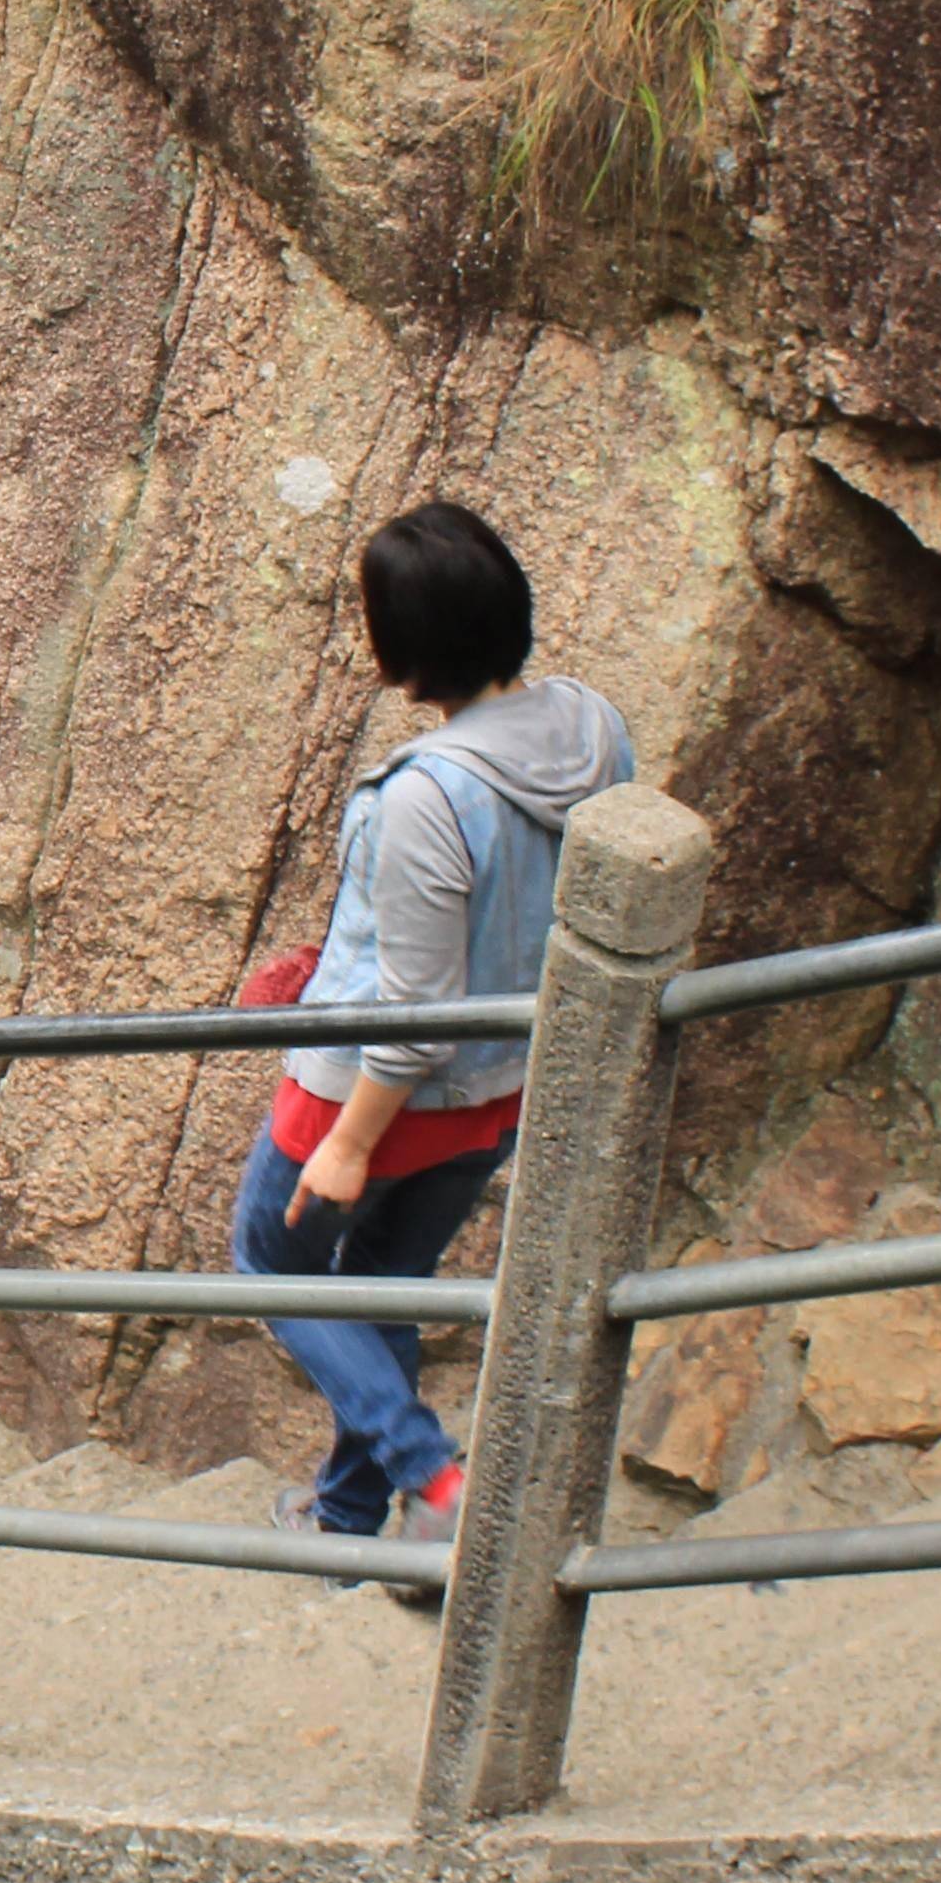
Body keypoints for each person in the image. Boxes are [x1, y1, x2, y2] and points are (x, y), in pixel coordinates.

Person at [241, 503, 637, 1565]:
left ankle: (434, 1476)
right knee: (385, 1284)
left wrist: (350, 1140)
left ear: (402, 645)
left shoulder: (429, 794)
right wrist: (322, 964)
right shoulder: (594, 732)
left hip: (371, 1097)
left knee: (271, 1264)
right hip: (495, 1094)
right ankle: (348, 1521)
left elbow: (415, 1009)